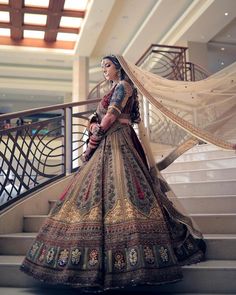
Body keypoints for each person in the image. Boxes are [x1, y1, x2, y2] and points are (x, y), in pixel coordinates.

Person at [20, 55, 206, 291]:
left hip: (119, 143)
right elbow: (97, 117)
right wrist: (93, 127)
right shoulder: (112, 89)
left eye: (107, 66)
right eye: (102, 67)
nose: (104, 70)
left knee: (126, 189)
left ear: (119, 68)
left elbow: (111, 116)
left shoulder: (124, 86)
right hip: (107, 142)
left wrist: (94, 138)